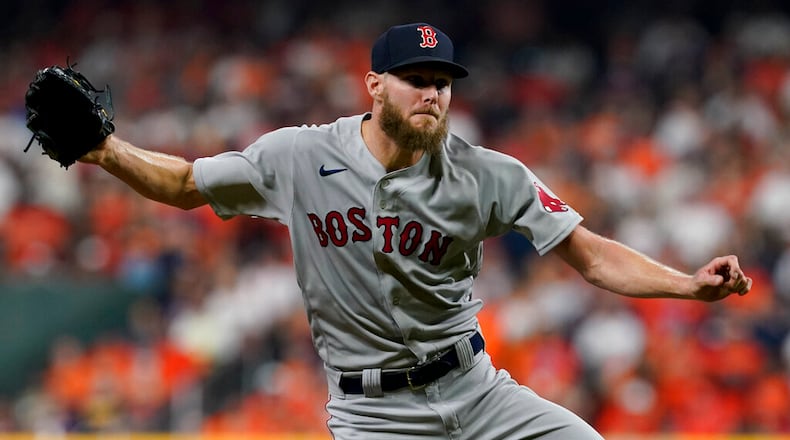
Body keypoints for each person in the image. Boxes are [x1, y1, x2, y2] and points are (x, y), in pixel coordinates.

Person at [79, 22, 752, 439]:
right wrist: (108, 151)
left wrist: (688, 286)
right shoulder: (297, 157)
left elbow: (590, 255)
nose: (431, 94)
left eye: (442, 83)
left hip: (478, 391)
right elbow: (187, 183)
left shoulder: (485, 174)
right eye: (415, 80)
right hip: (374, 417)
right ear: (374, 85)